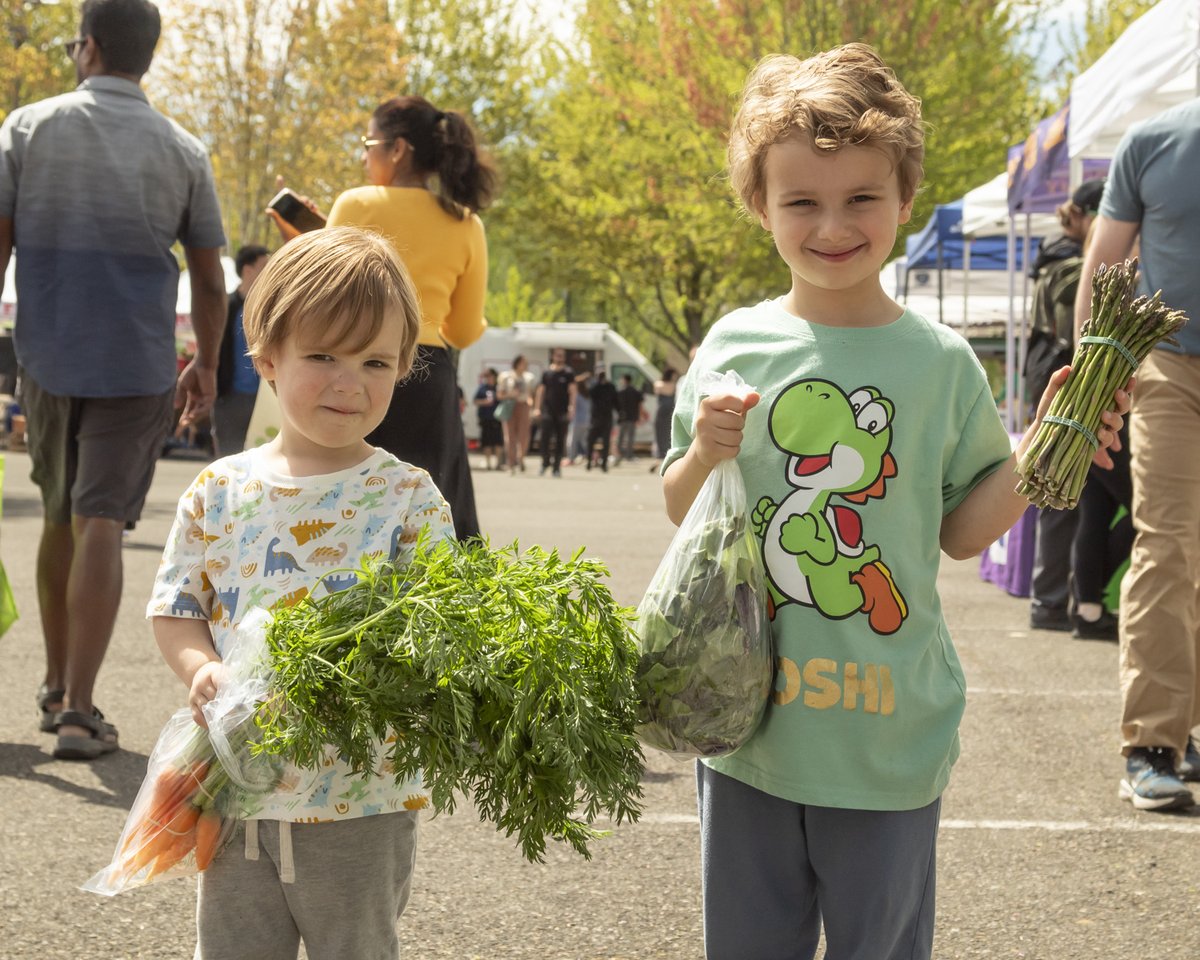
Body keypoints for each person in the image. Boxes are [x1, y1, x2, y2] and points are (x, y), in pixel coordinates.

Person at [662, 45, 1129, 959]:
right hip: (746, 726)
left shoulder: (941, 363)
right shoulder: (734, 344)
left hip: (889, 741)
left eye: (860, 199)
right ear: (760, 205)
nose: (832, 225)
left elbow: (961, 533)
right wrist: (705, 450)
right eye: (801, 201)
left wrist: (1039, 452)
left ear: (905, 200)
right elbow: (684, 508)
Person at [149, 227, 451, 960]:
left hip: (362, 797)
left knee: (358, 946)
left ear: (404, 367)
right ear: (268, 360)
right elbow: (176, 609)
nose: (349, 382)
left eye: (375, 361)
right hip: (238, 787)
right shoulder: (220, 490)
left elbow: (440, 629)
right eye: (323, 356)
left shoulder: (406, 496)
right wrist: (203, 670)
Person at [0, 0, 226, 760]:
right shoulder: (183, 149)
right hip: (135, 363)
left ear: (88, 48)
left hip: (48, 354)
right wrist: (207, 362)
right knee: (101, 522)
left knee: (59, 515)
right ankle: (79, 711)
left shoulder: (27, 128)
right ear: (148, 58)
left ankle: (56, 682)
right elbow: (209, 277)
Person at [269, 95, 494, 540]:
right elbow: (464, 332)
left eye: (368, 143)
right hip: (428, 380)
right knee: (428, 522)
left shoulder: (355, 204)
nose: (364, 155)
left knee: (342, 509)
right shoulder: (467, 223)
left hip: (353, 367)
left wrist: (300, 244)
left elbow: (328, 297)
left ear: (398, 150)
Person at [1075, 96, 1200, 812]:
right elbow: (1102, 263)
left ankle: (1192, 728)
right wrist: (1088, 380)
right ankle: (1152, 744)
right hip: (1167, 367)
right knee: (1168, 542)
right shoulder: (1152, 141)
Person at [1026, 180, 1132, 639]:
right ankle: (1055, 601)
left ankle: (1079, 605)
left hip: (1075, 386)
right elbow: (1080, 332)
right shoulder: (1072, 268)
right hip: (1072, 386)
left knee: (1085, 501)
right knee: (1063, 495)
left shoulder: (1055, 261)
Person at [214, 245, 270, 456]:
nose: (270, 271)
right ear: (248, 270)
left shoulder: (271, 308)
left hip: (264, 400)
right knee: (228, 459)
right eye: (264, 266)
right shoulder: (225, 306)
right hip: (230, 398)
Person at [533, 348, 575, 477]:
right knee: (544, 438)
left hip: (562, 411)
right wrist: (537, 408)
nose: (559, 358)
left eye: (562, 356)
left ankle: (556, 467)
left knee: (559, 440)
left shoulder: (568, 373)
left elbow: (573, 391)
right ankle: (545, 463)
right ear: (553, 356)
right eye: (557, 355)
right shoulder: (547, 373)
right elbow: (541, 391)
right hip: (547, 411)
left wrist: (572, 407)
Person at [497, 354, 534, 475]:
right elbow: (500, 395)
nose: (525, 366)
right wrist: (511, 395)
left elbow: (530, 395)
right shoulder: (506, 377)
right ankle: (511, 463)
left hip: (523, 406)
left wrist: (531, 406)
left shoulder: (528, 377)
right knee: (510, 437)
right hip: (510, 406)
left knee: (524, 436)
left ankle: (521, 458)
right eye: (523, 363)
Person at [585, 369, 618, 472]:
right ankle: (589, 462)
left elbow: (615, 401)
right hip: (596, 418)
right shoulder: (595, 387)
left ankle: (604, 464)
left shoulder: (610, 387)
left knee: (605, 442)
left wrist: (620, 412)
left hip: (605, 418)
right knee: (591, 441)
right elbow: (590, 393)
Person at [473, 367, 503, 470]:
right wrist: (484, 402)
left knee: (498, 441)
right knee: (487, 442)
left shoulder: (498, 388)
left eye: (490, 376)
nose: (489, 378)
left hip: (497, 418)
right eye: (487, 376)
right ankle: (488, 463)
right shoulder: (482, 388)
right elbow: (475, 401)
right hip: (485, 418)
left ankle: (498, 463)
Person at [650, 366, 678, 472]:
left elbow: (656, 391)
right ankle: (665, 455)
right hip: (670, 411)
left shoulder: (658, 384)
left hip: (661, 411)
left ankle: (660, 455)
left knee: (660, 434)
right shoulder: (673, 385)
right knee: (668, 434)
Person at [614, 373, 644, 464]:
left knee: (621, 437)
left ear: (624, 380)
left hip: (622, 417)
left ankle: (619, 454)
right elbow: (640, 405)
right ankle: (629, 455)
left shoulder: (620, 391)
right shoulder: (635, 391)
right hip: (632, 417)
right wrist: (639, 417)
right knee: (630, 437)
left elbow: (616, 405)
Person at [568, 369, 593, 465]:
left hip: (577, 421)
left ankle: (571, 458)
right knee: (584, 441)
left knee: (572, 441)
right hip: (586, 421)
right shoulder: (586, 395)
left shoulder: (577, 396)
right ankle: (592, 456)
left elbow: (572, 407)